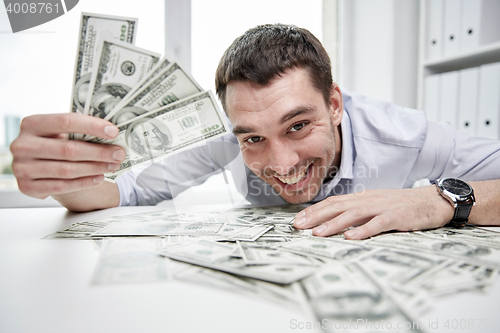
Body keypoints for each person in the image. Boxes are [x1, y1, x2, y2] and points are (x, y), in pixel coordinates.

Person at [10, 24, 500, 240]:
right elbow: (129, 192)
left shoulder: (407, 137)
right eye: (253, 139)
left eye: (299, 125)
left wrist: (435, 201)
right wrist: (68, 175)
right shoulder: (229, 132)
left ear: (334, 105)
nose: (282, 165)